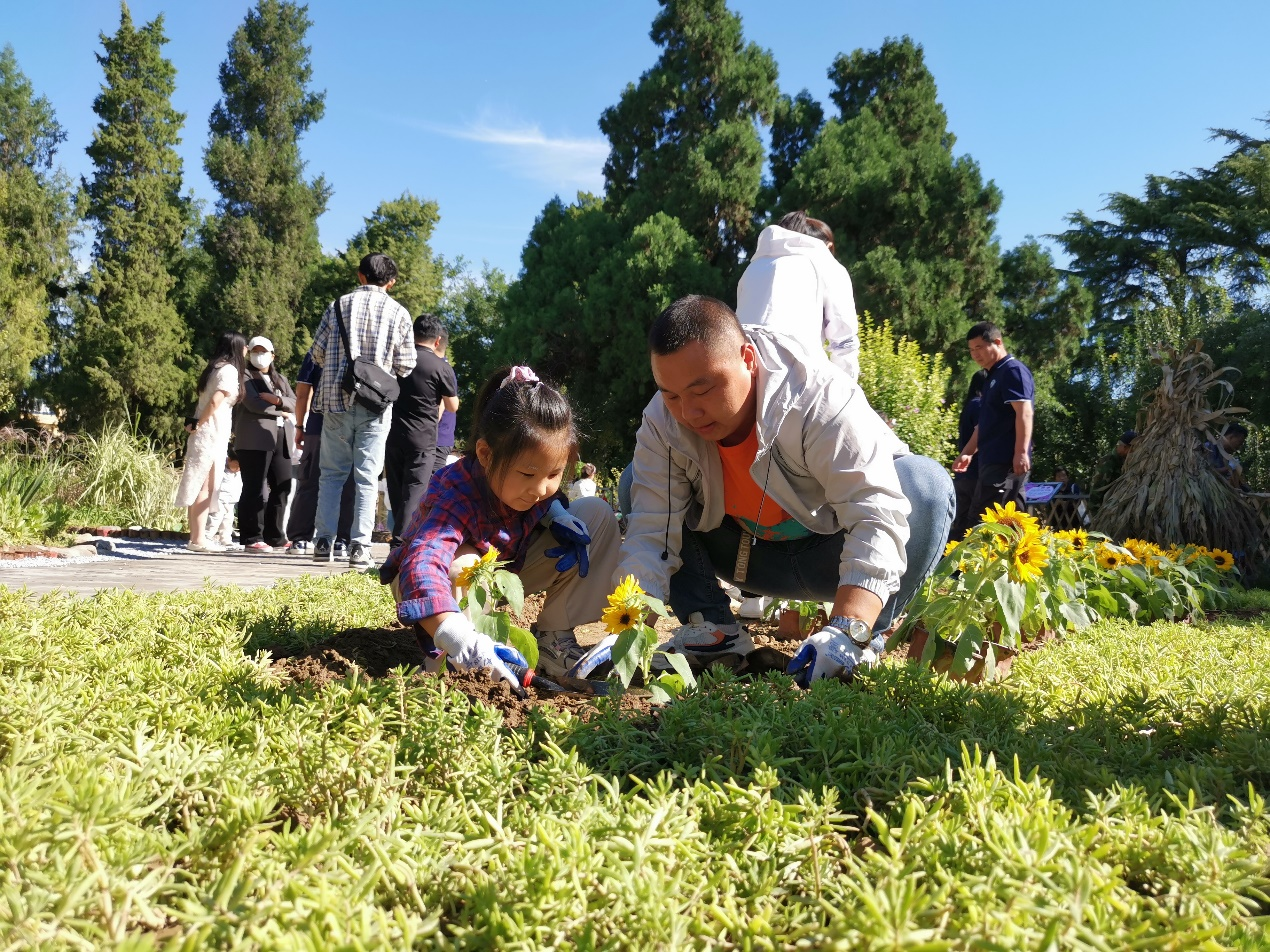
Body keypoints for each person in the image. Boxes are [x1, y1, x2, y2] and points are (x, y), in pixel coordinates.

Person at [606, 295, 953, 687]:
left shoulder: (816, 398)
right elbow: (652, 529)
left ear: (748, 359)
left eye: (702, 390)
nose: (688, 412)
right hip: (747, 559)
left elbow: (874, 512)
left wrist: (847, 627)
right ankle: (715, 633)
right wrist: (627, 630)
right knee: (635, 480)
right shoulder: (662, 422)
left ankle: (859, 643)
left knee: (926, 485)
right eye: (671, 394)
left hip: (830, 554)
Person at [380, 365, 622, 683]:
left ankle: (554, 640)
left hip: (504, 570)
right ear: (485, 454)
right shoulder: (456, 492)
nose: (539, 489)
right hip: (427, 579)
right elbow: (423, 561)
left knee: (595, 515)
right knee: (466, 562)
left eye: (553, 474)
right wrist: (454, 634)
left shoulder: (531, 491)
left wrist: (557, 513)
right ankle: (462, 660)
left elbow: (549, 497)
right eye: (527, 474)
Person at [308, 253, 417, 570]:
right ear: (391, 282)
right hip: (375, 405)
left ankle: (324, 542)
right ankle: (359, 547)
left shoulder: (337, 306)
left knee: (330, 475)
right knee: (367, 478)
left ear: (360, 276)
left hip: (335, 400)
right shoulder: (398, 312)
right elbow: (406, 365)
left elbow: (316, 353)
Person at [735, 210, 860, 380]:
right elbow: (844, 344)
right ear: (828, 246)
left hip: (744, 375)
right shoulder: (827, 265)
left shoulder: (752, 269)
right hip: (798, 382)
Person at [385, 314, 459, 547]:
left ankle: (400, 534)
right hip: (423, 437)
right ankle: (401, 543)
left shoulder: (397, 361)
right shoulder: (440, 366)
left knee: (396, 489)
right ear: (437, 340)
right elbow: (452, 406)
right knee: (415, 490)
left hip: (394, 432)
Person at [953, 323, 1035, 518]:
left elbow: (1024, 412)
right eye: (971, 350)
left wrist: (1021, 452)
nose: (975, 354)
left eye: (979, 347)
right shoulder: (991, 377)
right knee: (1010, 524)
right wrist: (967, 453)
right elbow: (986, 423)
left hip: (1006, 463)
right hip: (989, 461)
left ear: (997, 342)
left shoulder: (1012, 371)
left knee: (984, 522)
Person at [175, 332, 247, 553]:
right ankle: (197, 540)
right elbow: (216, 401)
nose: (246, 352)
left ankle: (197, 537)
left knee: (202, 484)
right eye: (244, 347)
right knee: (205, 486)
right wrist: (200, 423)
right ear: (236, 348)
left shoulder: (213, 368)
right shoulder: (229, 370)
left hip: (208, 432)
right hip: (211, 432)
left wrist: (196, 423)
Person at [285, 353, 355, 555]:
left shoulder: (317, 352)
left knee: (310, 481)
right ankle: (343, 540)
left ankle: (300, 538)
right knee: (348, 483)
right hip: (349, 428)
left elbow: (302, 393)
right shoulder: (359, 349)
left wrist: (299, 425)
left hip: (318, 425)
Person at [234, 336, 296, 551]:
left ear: (272, 355)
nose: (258, 355)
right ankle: (252, 537)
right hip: (253, 438)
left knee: (282, 485)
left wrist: (278, 401)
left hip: (280, 437)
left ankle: (275, 536)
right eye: (254, 351)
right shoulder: (243, 376)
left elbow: (295, 402)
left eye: (263, 351)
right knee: (255, 487)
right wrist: (281, 410)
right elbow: (253, 403)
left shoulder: (280, 379)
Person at [949, 370, 987, 541]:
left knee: (962, 521)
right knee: (974, 523)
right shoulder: (980, 405)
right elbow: (981, 432)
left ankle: (951, 563)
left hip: (963, 476)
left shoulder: (969, 405)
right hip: (975, 472)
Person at [205, 452, 243, 549]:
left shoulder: (238, 473)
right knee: (215, 518)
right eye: (236, 465)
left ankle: (226, 539)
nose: (238, 468)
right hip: (220, 498)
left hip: (231, 500)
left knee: (228, 520)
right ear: (229, 460)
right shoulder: (221, 469)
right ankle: (207, 536)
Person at [1090, 430, 1136, 508]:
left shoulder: (1124, 460)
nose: (1133, 452)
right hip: (1103, 509)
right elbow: (1097, 491)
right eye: (1132, 449)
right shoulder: (1107, 462)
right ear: (1125, 447)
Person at [434, 329, 459, 473]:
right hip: (441, 440)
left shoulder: (440, 370)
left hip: (436, 441)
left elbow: (439, 409)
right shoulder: (445, 368)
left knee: (428, 490)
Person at [1203, 423, 1249, 490]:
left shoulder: (1226, 458)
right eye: (1239, 443)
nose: (1238, 447)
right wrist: (1228, 468)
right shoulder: (1209, 448)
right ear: (1231, 437)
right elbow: (1205, 471)